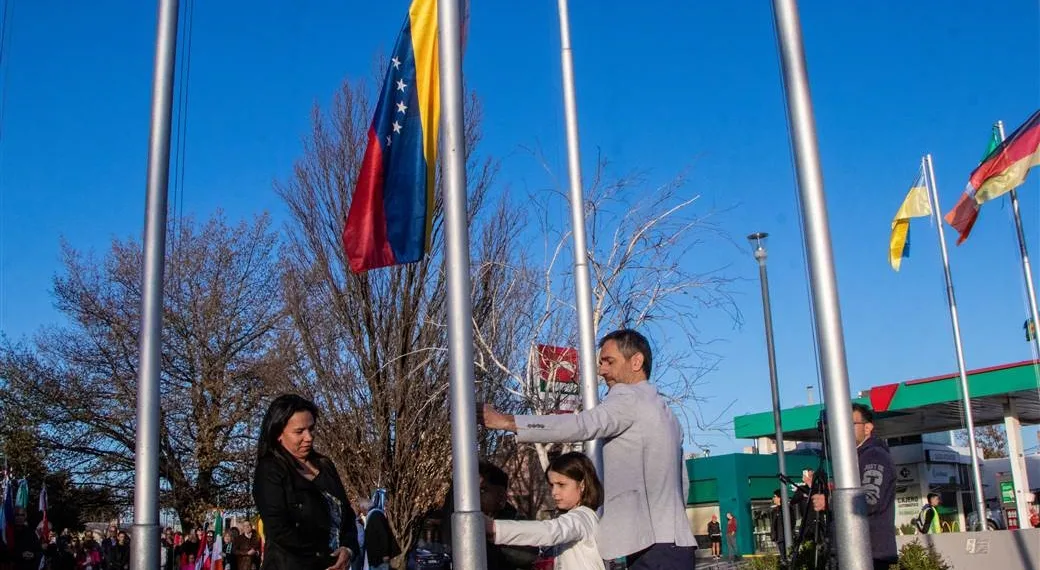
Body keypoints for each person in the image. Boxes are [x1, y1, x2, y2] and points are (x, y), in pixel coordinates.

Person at [482, 329, 696, 569]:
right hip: (676, 543)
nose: (602, 371)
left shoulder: (628, 397)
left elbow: (581, 425)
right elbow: (682, 483)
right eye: (601, 362)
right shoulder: (668, 415)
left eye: (609, 362)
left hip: (652, 549)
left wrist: (506, 422)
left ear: (637, 361)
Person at [252, 394, 360, 570]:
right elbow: (279, 529)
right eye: (299, 431)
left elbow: (347, 516)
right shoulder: (270, 470)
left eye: (311, 429)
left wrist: (348, 549)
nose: (309, 437)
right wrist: (323, 556)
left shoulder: (325, 466)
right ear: (278, 434)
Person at [812, 403, 896, 569]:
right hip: (852, 550)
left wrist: (830, 501)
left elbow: (870, 500)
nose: (842, 429)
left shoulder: (874, 456)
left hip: (867, 554)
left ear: (867, 428)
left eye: (850, 423)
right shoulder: (853, 457)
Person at [485, 452, 602, 570]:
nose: (554, 492)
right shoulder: (577, 517)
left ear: (582, 485)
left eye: (561, 485)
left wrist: (493, 528)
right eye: (552, 485)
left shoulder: (581, 517)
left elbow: (550, 532)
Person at [358, 499, 400, 570]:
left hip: (379, 558)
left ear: (363, 508)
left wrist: (385, 554)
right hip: (376, 558)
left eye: (360, 508)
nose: (360, 511)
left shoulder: (376, 515)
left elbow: (383, 534)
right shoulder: (373, 515)